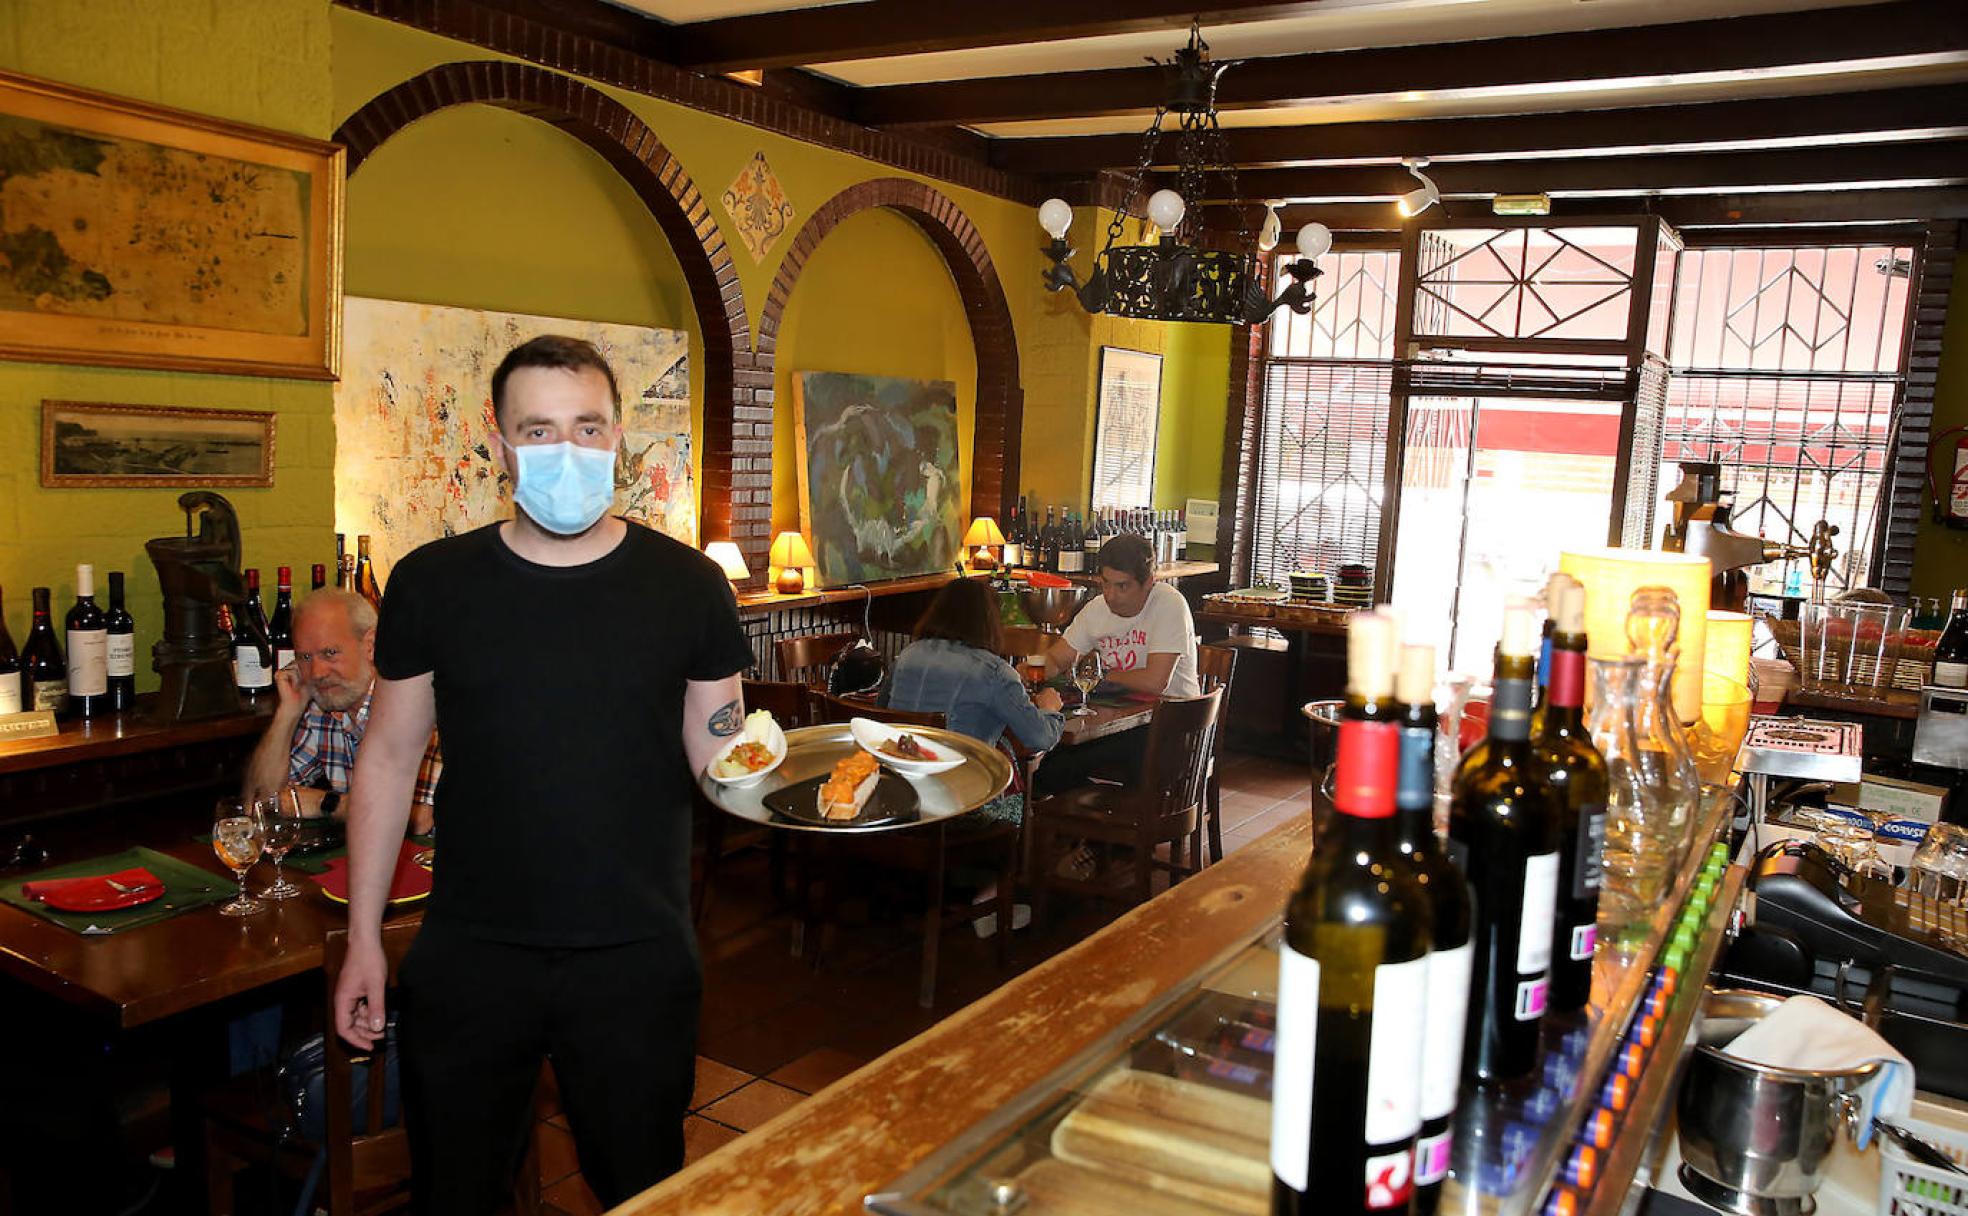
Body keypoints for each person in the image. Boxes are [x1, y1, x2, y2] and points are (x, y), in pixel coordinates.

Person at [332, 334, 753, 1214]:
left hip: (636, 953)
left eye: (587, 427)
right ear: (499, 442)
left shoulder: (689, 587)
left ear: (619, 436)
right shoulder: (433, 582)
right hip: (473, 950)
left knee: (643, 1190)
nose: (567, 451)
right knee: (456, 1191)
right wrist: (365, 937)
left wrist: (823, 785)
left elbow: (722, 751)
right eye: (540, 428)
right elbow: (388, 754)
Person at [242, 589, 442, 834]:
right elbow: (260, 803)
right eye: (305, 657)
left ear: (371, 645)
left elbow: (418, 820)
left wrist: (325, 803)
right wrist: (288, 714)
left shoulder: (414, 702)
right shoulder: (322, 706)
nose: (316, 673)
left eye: (330, 653)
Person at [1036, 532, 1200, 795]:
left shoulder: (1169, 604)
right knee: (1047, 764)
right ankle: (1100, 822)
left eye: (1122, 586)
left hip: (1172, 726)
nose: (1111, 595)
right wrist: (1033, 672)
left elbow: (1156, 681)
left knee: (1069, 765)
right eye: (1105, 583)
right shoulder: (1097, 609)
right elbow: (1058, 658)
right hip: (1118, 724)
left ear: (1148, 582)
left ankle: (1114, 823)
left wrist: (1101, 675)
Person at [886, 578, 1067, 807]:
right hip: (963, 803)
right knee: (1029, 797)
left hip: (899, 795)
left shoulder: (907, 656)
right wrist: (1050, 710)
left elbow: (882, 711)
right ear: (990, 621)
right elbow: (1040, 737)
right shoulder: (994, 671)